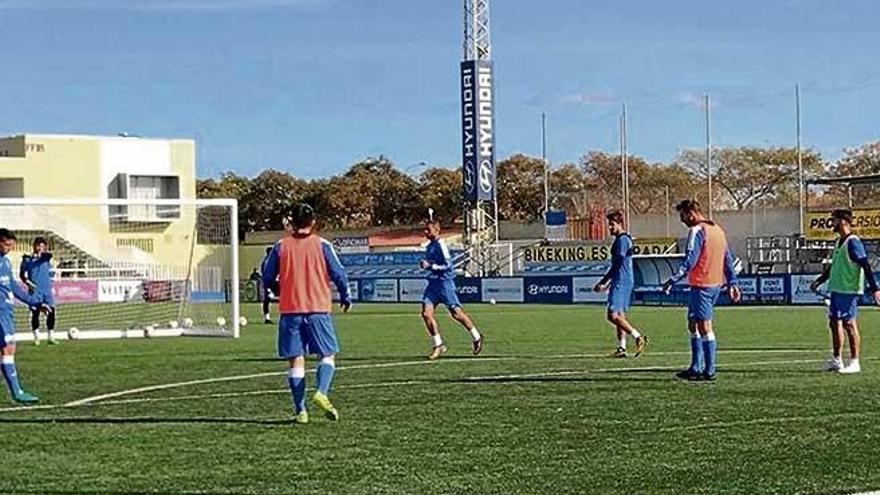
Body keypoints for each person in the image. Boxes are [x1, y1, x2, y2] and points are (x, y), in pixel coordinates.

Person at [262, 204, 352, 424]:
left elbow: (266, 277)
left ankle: (300, 410)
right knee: (327, 354)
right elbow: (339, 274)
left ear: (292, 221)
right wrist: (345, 296)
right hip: (318, 309)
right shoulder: (322, 245)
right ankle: (321, 392)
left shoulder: (280, 246)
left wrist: (278, 289)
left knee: (296, 361)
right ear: (313, 221)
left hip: (291, 310)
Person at [662, 200, 740, 382]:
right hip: (713, 285)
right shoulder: (718, 230)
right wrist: (732, 282)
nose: (682, 221)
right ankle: (695, 366)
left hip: (703, 285)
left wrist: (673, 279)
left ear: (691, 213)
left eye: (683, 216)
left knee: (704, 326)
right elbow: (727, 258)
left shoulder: (697, 230)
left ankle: (709, 369)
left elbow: (690, 259)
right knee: (693, 323)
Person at [810, 209, 880, 374]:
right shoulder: (838, 242)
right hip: (836, 289)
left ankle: (855, 362)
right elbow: (834, 266)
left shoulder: (853, 242)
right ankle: (837, 360)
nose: (831, 223)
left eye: (834, 220)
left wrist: (875, 289)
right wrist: (820, 280)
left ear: (843, 221)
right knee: (834, 323)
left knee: (849, 323)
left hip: (848, 290)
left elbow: (865, 265)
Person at [419, 217, 483, 360]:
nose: (425, 232)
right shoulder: (429, 246)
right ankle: (438, 344)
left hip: (445, 284)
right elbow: (432, 263)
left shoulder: (441, 245)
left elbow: (448, 265)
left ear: (436, 230)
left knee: (456, 314)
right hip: (433, 284)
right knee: (426, 314)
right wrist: (426, 264)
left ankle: (477, 337)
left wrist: (431, 266)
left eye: (428, 230)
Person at [0, 229, 48, 404]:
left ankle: (17, 390)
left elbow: (13, 286)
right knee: (7, 348)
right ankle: (16, 391)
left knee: (8, 349)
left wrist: (34, 302)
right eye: (6, 245)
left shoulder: (5, 262)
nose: (9, 249)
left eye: (11, 246)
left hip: (6, 312)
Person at [593, 211, 648, 358]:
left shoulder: (622, 240)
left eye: (612, 225)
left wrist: (603, 282)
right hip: (623, 280)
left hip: (621, 281)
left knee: (612, 315)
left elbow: (617, 265)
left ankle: (637, 336)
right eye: (609, 225)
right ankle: (622, 348)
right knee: (620, 315)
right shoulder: (623, 239)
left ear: (619, 224)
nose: (610, 228)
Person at [20, 237, 56, 346]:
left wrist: (41, 254)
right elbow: (22, 275)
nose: (40, 248)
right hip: (35, 290)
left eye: (42, 246)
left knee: (52, 312)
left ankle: (51, 337)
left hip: (47, 290)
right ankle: (36, 338)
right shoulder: (27, 259)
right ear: (34, 246)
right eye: (38, 245)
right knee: (35, 314)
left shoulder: (44, 258)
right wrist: (28, 283)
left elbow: (49, 255)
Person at [260, 247, 277, 324]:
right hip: (271, 282)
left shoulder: (266, 261)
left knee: (267, 299)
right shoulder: (268, 261)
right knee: (267, 299)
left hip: (272, 282)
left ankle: (267, 317)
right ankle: (267, 318)